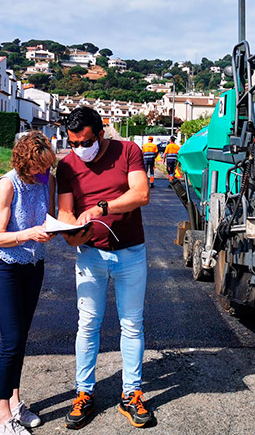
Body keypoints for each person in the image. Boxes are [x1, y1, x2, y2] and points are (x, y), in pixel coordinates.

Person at [56, 106, 154, 430]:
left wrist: (101, 207)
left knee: (132, 325)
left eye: (85, 142)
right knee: (87, 326)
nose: (79, 149)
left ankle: (132, 394)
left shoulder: (128, 151)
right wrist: (71, 233)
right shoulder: (67, 166)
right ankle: (84, 393)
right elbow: (67, 212)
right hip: (90, 256)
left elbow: (141, 193)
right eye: (73, 143)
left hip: (131, 254)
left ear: (101, 133)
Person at [0, 131, 57, 435]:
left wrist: (54, 228)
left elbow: (49, 217)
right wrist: (29, 233)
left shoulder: (47, 180)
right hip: (4, 268)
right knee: (11, 341)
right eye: (39, 167)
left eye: (47, 167)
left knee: (21, 338)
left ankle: (16, 405)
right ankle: (2, 418)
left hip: (33, 266)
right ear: (24, 161)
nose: (44, 173)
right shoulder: (6, 185)